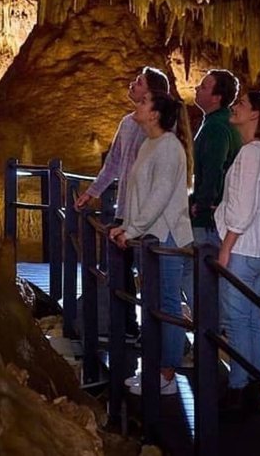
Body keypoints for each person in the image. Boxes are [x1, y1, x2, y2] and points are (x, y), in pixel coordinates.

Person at [74, 66, 172, 335]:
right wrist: (92, 191)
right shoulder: (128, 123)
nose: (131, 84)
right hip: (126, 207)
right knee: (121, 269)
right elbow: (113, 163)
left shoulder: (162, 129)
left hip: (149, 213)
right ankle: (128, 324)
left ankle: (158, 332)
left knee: (149, 271)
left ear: (150, 93)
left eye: (138, 82)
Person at [109, 91, 194, 396]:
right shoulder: (149, 144)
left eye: (144, 102)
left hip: (167, 236)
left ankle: (167, 374)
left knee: (167, 305)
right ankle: (155, 367)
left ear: (155, 114)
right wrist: (128, 229)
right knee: (153, 304)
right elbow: (137, 194)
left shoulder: (170, 148)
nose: (138, 105)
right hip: (150, 236)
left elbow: (159, 196)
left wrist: (131, 230)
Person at [214, 90, 260, 414]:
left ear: (256, 114)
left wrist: (226, 247)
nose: (234, 106)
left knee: (238, 321)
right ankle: (257, 387)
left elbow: (243, 208)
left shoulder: (250, 154)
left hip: (241, 248)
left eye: (240, 103)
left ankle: (239, 389)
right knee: (253, 319)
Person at [183, 70, 241, 309]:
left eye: (204, 86)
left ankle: (209, 323)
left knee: (192, 271)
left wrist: (202, 202)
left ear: (217, 97)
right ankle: (214, 323)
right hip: (218, 211)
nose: (197, 88)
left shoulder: (216, 127)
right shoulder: (220, 122)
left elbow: (214, 168)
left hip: (209, 216)